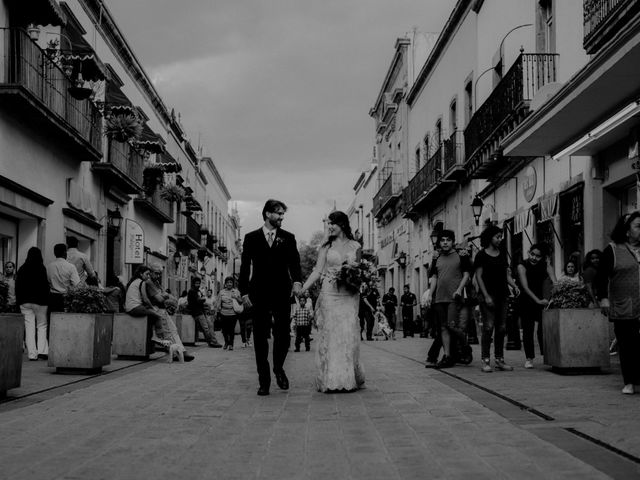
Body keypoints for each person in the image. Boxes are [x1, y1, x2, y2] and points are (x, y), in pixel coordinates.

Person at [239, 199, 303, 396]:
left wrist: (297, 282)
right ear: (267, 214)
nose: (282, 217)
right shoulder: (251, 238)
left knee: (283, 335)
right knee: (260, 337)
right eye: (278, 213)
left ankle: (278, 368)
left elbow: (295, 262)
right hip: (258, 293)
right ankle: (264, 380)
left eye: (283, 214)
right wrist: (243, 292)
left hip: (282, 292)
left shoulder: (288, 237)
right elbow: (244, 266)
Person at [301, 210, 365, 393]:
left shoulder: (355, 245)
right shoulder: (325, 247)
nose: (329, 226)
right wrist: (303, 288)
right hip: (330, 293)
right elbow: (317, 271)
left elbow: (359, 271)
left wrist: (356, 278)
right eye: (328, 223)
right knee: (330, 334)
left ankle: (347, 377)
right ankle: (331, 379)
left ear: (342, 224)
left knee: (347, 333)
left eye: (332, 223)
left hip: (349, 295)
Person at [596, 212, 640, 395]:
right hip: (625, 305)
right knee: (627, 344)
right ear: (627, 231)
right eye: (638, 226)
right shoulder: (613, 249)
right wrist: (603, 298)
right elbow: (601, 277)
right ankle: (629, 381)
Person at [474, 225, 520, 373]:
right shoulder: (481, 255)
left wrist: (514, 285)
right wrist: (486, 295)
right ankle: (485, 360)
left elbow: (506, 274)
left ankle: (499, 360)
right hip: (488, 294)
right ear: (489, 237)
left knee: (501, 328)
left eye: (501, 237)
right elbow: (479, 277)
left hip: (503, 294)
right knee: (488, 327)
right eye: (497, 237)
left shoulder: (501, 254)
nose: (500, 239)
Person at [425, 230, 472, 369]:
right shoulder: (436, 257)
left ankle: (465, 347)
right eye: (442, 240)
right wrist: (430, 294)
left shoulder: (460, 255)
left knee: (452, 326)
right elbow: (434, 277)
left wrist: (459, 289)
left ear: (452, 241)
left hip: (454, 297)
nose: (445, 242)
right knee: (443, 327)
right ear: (439, 243)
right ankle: (447, 356)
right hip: (439, 298)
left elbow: (466, 275)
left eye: (448, 240)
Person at [516, 243, 556, 369]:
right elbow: (525, 287)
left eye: (538, 256)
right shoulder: (522, 265)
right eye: (532, 254)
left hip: (542, 300)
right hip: (526, 300)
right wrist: (537, 301)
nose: (534, 258)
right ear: (528, 253)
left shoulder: (545, 266)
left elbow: (555, 282)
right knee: (528, 329)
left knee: (543, 328)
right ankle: (529, 358)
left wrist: (549, 265)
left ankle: (547, 355)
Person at [15, 248, 49, 361]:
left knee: (29, 327)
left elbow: (18, 286)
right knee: (41, 326)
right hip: (40, 302)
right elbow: (45, 286)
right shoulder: (41, 268)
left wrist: (19, 301)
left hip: (25, 302)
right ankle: (42, 352)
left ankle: (32, 354)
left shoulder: (22, 269)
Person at [188, 277, 222, 348]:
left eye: (199, 283)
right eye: (196, 283)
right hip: (197, 312)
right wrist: (203, 299)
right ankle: (212, 342)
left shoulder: (198, 291)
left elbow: (201, 299)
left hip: (201, 311)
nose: (198, 284)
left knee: (207, 327)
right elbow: (198, 300)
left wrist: (202, 299)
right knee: (206, 328)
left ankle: (211, 342)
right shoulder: (192, 291)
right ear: (193, 283)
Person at [46, 243, 80, 313]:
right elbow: (77, 284)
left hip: (52, 298)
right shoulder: (71, 267)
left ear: (54, 253)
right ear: (65, 253)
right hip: (66, 298)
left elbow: (46, 283)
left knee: (52, 320)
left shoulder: (48, 267)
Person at [216, 276, 243, 350]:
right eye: (228, 282)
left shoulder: (236, 291)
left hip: (233, 313)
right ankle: (226, 342)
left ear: (233, 284)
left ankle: (231, 344)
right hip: (223, 313)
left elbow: (241, 302)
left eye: (231, 282)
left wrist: (236, 297)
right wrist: (217, 313)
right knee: (224, 330)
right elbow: (218, 303)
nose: (229, 284)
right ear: (225, 284)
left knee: (231, 330)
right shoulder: (221, 292)